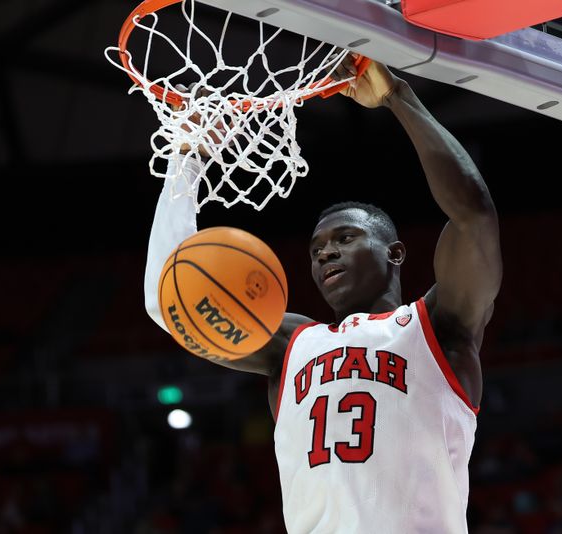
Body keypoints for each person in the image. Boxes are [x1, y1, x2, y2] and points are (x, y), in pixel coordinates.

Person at [144, 55, 502, 534]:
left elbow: (474, 218)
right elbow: (168, 302)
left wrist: (399, 97)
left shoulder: (438, 326)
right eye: (316, 250)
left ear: (395, 253)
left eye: (345, 239)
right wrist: (185, 163)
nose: (326, 254)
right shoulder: (292, 345)